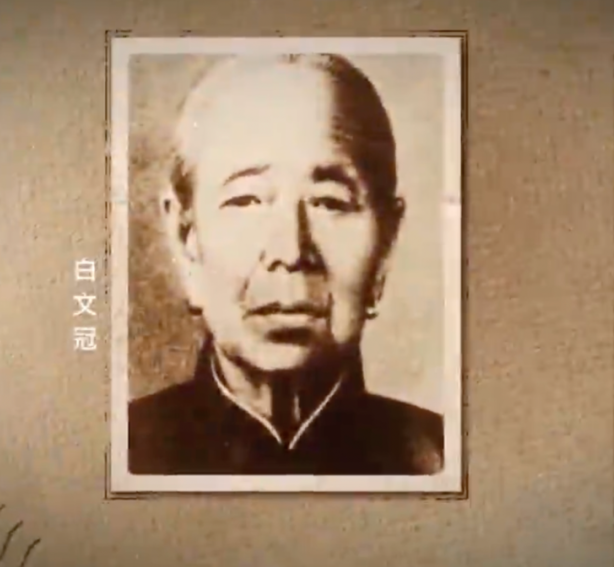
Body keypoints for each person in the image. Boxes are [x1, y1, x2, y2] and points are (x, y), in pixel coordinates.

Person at [128, 53, 443, 476]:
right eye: (246, 200)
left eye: (329, 202)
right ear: (186, 239)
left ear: (385, 244)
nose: (291, 252)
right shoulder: (117, 454)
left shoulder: (446, 459)